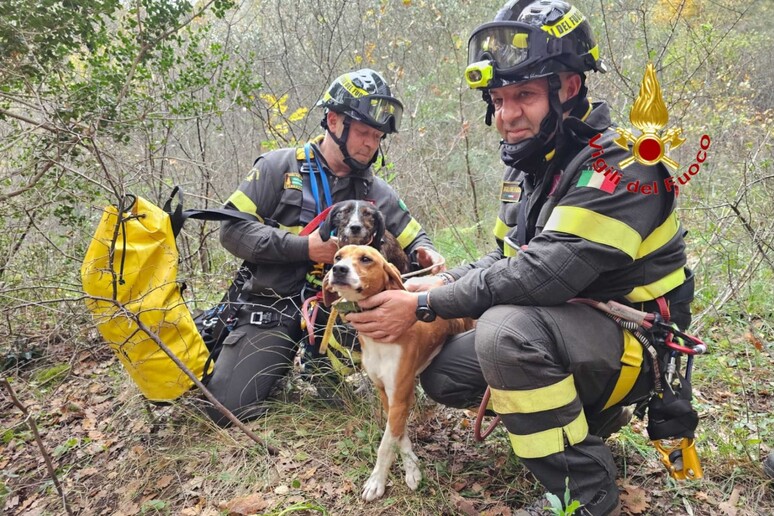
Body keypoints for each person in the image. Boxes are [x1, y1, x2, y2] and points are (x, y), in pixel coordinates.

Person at [347, 1, 695, 515]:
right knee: (443, 372)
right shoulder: (531, 170)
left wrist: (426, 306)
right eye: (499, 98)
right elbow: (501, 257)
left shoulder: (623, 164)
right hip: (577, 331)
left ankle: (585, 494)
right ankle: (585, 421)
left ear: (569, 88)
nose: (507, 115)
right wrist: (428, 285)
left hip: (633, 343)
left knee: (505, 332)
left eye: (525, 96)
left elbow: (545, 273)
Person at [205, 68, 444, 426]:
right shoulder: (277, 167)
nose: (371, 144)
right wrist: (303, 249)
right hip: (274, 306)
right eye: (364, 132)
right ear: (333, 121)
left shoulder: (377, 192)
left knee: (336, 394)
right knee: (227, 410)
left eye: (377, 137)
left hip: (344, 309)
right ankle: (269, 358)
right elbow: (231, 230)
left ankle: (331, 372)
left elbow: (417, 238)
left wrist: (426, 252)